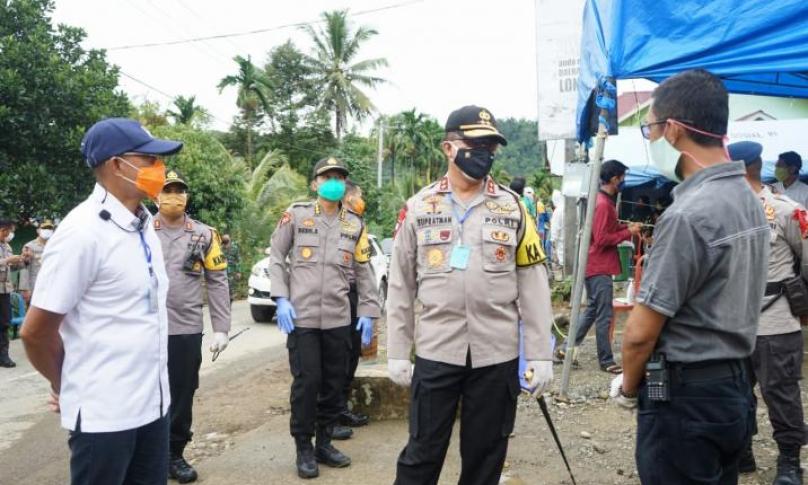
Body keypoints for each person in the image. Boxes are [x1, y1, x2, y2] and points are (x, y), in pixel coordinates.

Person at [611, 69, 768, 484]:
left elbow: (641, 332)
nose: (651, 139)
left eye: (650, 128)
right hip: (733, 386)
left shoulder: (688, 214)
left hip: (686, 396)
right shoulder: (748, 199)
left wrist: (628, 387)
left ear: (674, 130)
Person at [387, 105, 554, 485]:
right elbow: (400, 284)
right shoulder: (418, 207)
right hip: (436, 350)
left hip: (496, 353)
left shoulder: (513, 208)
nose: (484, 154)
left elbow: (532, 282)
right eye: (475, 145)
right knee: (422, 453)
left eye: (490, 147)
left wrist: (540, 352)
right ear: (449, 148)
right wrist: (397, 350)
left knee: (485, 456)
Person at [20, 117, 181, 485]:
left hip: (153, 405)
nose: (159, 168)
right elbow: (36, 333)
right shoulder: (82, 233)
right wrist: (64, 383)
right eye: (149, 159)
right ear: (116, 165)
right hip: (104, 415)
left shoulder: (144, 226)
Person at [269, 157, 380, 479]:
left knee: (333, 384)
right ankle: (304, 446)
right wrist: (281, 298)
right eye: (327, 176)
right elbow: (276, 255)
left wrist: (368, 311)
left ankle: (325, 443)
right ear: (314, 183)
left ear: (345, 184)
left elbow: (363, 271)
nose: (334, 182)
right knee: (307, 384)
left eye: (339, 177)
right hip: (302, 319)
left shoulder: (354, 224)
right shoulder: (296, 215)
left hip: (338, 318)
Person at [730, 141, 808, 485]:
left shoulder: (785, 210)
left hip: (775, 319)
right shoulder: (721, 211)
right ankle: (741, 451)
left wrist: (800, 301)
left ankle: (789, 461)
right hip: (730, 323)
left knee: (780, 393)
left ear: (741, 168)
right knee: (733, 392)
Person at [154, 169, 231, 483]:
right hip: (144, 328)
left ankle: (174, 453)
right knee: (143, 392)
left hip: (184, 328)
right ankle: (146, 454)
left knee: (182, 393)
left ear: (186, 196)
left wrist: (221, 327)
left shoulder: (204, 234)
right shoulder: (140, 230)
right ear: (156, 196)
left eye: (179, 191)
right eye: (168, 191)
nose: (174, 196)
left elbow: (217, 280)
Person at [557, 160, 641, 373]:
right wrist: (628, 232)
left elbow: (605, 229)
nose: (624, 182)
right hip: (599, 266)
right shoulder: (603, 204)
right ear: (614, 179)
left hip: (594, 264)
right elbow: (602, 237)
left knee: (593, 310)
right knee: (605, 314)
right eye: (622, 178)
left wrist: (625, 227)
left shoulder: (602, 201)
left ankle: (566, 349)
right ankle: (606, 360)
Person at [330, 178, 371, 442]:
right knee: (337, 356)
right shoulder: (329, 221)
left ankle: (341, 409)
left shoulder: (357, 224)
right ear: (347, 198)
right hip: (336, 294)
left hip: (353, 294)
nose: (361, 200)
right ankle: (329, 417)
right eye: (358, 195)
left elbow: (364, 266)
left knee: (352, 353)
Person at [0, 218, 24, 368]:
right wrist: (7, 260)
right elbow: (5, 262)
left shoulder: (6, 246)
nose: (9, 234)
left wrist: (21, 261)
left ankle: (3, 356)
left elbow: (10, 268)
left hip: (4, 290)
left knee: (4, 322)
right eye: (8, 231)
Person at [18, 219, 55, 303]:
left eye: (50, 229)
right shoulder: (29, 246)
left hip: (52, 287)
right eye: (44, 228)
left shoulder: (55, 246)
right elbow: (24, 268)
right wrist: (25, 288)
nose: (47, 230)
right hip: (35, 287)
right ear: (38, 230)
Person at [220, 234, 241, 305]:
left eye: (226, 238)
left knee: (231, 287)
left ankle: (230, 302)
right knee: (223, 287)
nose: (225, 240)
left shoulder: (234, 248)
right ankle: (224, 303)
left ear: (229, 239)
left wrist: (238, 271)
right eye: (224, 238)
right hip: (222, 271)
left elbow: (238, 260)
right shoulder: (220, 249)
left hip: (232, 271)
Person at [550, 189, 565, 268]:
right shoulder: (568, 207)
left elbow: (555, 228)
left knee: (562, 261)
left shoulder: (557, 211)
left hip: (561, 241)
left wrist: (553, 239)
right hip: (570, 242)